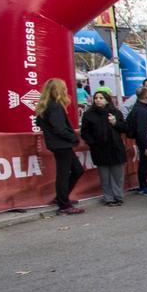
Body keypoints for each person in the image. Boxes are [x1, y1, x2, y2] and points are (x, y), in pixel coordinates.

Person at [35, 78, 86, 214]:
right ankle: (63, 204)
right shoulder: (55, 106)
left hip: (58, 143)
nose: (66, 90)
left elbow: (40, 123)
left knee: (76, 170)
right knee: (64, 173)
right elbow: (59, 128)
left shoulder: (47, 106)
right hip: (61, 144)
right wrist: (73, 137)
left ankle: (62, 198)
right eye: (63, 88)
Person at [79, 91, 129, 206]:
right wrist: (92, 142)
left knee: (117, 175)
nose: (98, 100)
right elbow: (85, 132)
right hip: (99, 148)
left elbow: (125, 128)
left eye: (101, 98)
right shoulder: (89, 114)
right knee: (104, 175)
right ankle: (108, 197)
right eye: (96, 98)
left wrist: (115, 123)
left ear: (107, 99)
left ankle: (118, 196)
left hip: (115, 147)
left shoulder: (115, 112)